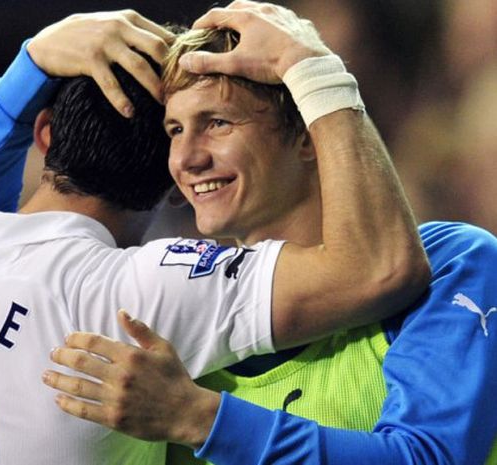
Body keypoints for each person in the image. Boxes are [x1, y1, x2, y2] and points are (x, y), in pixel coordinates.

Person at [0, 5, 427, 465]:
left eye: (213, 123)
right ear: (174, 183)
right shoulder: (139, 295)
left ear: (42, 134)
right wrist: (314, 71)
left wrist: (28, 69)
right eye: (178, 129)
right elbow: (378, 266)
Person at [40, 4, 497, 465]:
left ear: (304, 135)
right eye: (175, 130)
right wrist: (27, 68)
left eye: (217, 123)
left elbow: (431, 457)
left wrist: (200, 419)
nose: (186, 159)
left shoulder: (451, 263)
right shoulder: (172, 320)